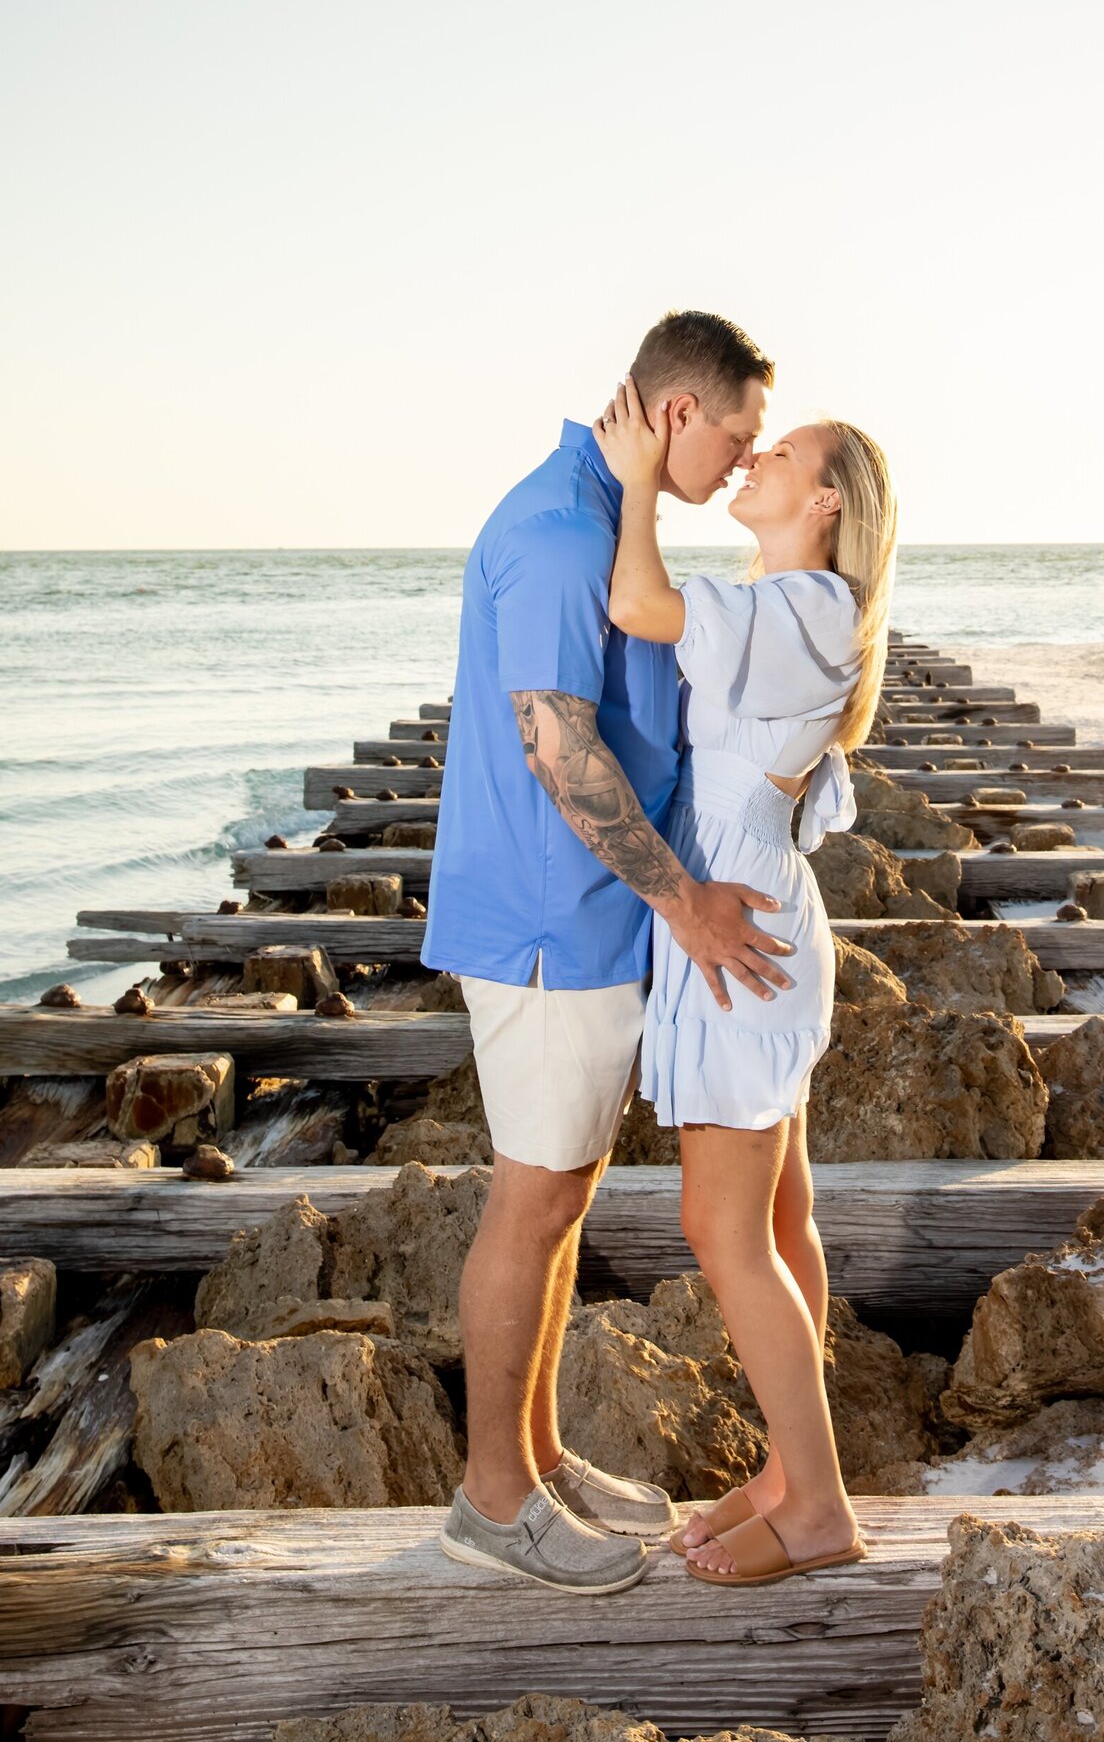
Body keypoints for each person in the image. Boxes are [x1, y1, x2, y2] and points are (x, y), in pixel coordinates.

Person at [426, 310, 792, 1595]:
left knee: (562, 1194)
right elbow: (556, 746)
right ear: (678, 412)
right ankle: (490, 1502)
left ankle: (535, 1459)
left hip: (579, 920)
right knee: (530, 1203)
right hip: (542, 921)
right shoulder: (559, 530)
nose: (742, 462)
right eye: (737, 433)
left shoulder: (601, 511)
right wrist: (688, 903)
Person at [593, 376, 896, 1589]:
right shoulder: (798, 606)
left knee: (721, 1230)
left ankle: (817, 1510)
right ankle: (790, 1471)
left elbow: (632, 599)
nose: (757, 458)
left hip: (742, 934)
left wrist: (631, 484)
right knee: (776, 1222)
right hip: (753, 917)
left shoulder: (798, 607)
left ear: (823, 501)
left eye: (784, 455)